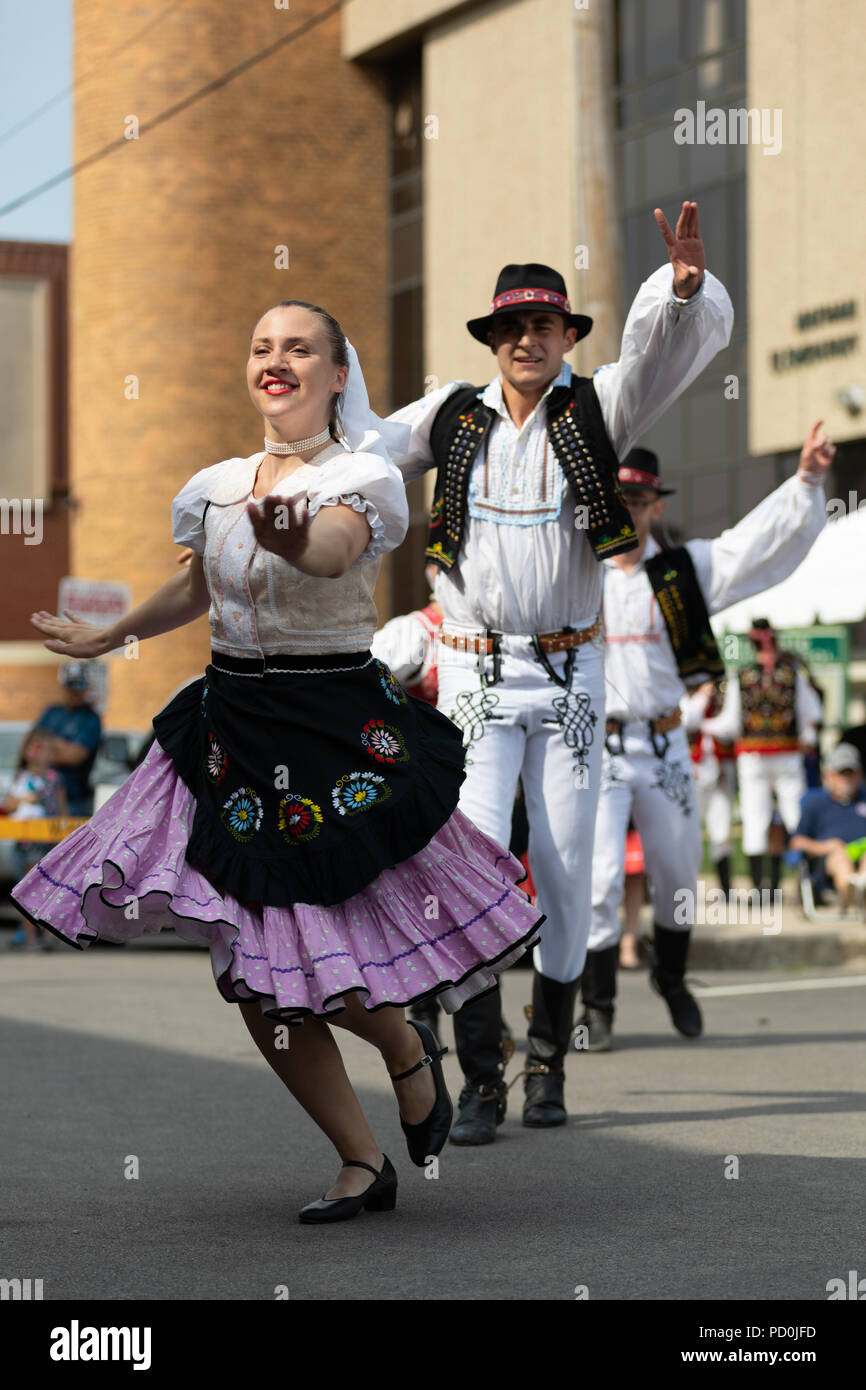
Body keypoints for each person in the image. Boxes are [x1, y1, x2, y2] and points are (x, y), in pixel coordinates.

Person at [11, 299, 543, 1223]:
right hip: (232, 729)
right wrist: (112, 634)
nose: (277, 359)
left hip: (329, 727)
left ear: (338, 376)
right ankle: (359, 1157)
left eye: (300, 347)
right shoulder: (216, 482)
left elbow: (336, 551)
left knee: (319, 946)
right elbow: (197, 581)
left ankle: (408, 1054)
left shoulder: (364, 475)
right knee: (254, 965)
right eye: (262, 345)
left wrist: (294, 533)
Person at [387, 201, 734, 1140]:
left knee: (568, 868)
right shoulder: (456, 417)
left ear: (567, 334)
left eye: (542, 324)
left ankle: (547, 1064)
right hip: (475, 673)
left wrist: (678, 292)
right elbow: (372, 453)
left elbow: (659, 358)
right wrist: (290, 477)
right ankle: (482, 1073)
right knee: (467, 858)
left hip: (573, 677)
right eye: (512, 326)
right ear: (494, 338)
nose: (526, 339)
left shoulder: (599, 407)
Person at [581, 425, 832, 1052]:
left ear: (655, 506)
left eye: (638, 502)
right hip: (599, 749)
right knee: (602, 877)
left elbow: (753, 546)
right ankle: (599, 1005)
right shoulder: (576, 575)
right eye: (618, 500)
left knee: (678, 877)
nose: (628, 511)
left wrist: (805, 482)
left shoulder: (683, 570)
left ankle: (670, 977)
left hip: (666, 746)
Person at [705, 618, 823, 892]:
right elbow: (811, 717)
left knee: (755, 818)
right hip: (785, 755)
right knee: (794, 816)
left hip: (755, 757)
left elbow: (730, 723)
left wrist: (702, 724)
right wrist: (806, 739)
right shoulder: (793, 674)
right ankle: (806, 886)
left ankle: (762, 890)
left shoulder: (743, 676)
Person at [2, 728, 68, 950]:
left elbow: (62, 810)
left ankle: (49, 934)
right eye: (34, 746)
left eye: (43, 748)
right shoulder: (21, 778)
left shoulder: (54, 779)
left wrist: (64, 836)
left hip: (47, 842)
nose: (37, 752)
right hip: (25, 842)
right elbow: (8, 805)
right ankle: (30, 936)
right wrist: (20, 800)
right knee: (25, 891)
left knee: (48, 890)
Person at [790, 743, 866, 908]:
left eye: (850, 773)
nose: (846, 779)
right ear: (829, 775)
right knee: (840, 856)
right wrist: (826, 846)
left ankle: (862, 886)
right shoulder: (815, 802)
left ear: (859, 774)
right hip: (829, 862)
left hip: (863, 857)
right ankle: (851, 892)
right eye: (841, 773)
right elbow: (797, 841)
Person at [683, 680, 737, 898]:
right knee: (688, 831)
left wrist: (709, 724)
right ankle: (686, 888)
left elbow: (731, 725)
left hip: (720, 770)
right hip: (693, 769)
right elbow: (687, 720)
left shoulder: (726, 694)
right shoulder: (686, 696)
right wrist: (702, 696)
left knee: (721, 830)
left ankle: (725, 889)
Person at [34, 663, 102, 816]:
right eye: (70, 685)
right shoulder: (52, 712)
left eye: (80, 684)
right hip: (42, 794)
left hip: (75, 799)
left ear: (87, 687)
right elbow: (33, 747)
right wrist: (61, 746)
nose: (75, 690)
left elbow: (74, 757)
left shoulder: (91, 718)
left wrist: (48, 744)